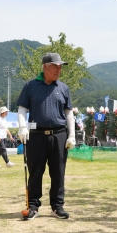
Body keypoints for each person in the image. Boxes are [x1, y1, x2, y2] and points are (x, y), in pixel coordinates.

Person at [17, 52, 76, 220]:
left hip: (59, 134)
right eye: (55, 67)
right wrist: (22, 127)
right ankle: (33, 205)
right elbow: (22, 109)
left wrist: (72, 135)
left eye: (60, 67)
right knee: (35, 171)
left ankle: (57, 206)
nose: (58, 70)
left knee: (58, 171)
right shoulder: (30, 86)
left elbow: (69, 113)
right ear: (45, 67)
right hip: (36, 135)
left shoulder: (63, 88)